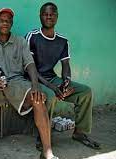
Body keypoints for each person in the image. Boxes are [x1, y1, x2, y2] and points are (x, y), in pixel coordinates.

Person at [0, 8, 70, 159]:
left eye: (8, 20)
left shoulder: (21, 42)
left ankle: (48, 153)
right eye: (2, 20)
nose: (5, 23)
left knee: (38, 98)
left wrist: (35, 86)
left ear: (11, 24)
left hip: (17, 84)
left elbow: (30, 65)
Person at [26, 2, 100, 151]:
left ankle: (80, 133)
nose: (48, 17)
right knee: (50, 96)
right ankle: (43, 136)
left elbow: (66, 65)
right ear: (40, 16)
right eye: (45, 14)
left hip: (52, 79)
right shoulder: (32, 36)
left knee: (85, 92)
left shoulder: (62, 41)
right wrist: (53, 87)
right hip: (33, 80)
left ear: (57, 17)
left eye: (52, 14)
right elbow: (30, 68)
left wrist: (65, 82)